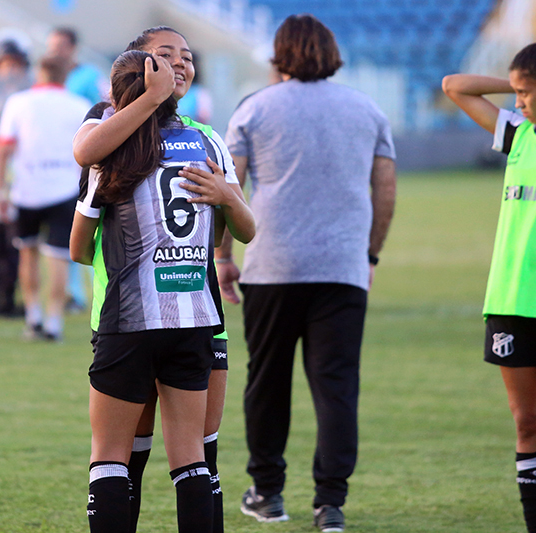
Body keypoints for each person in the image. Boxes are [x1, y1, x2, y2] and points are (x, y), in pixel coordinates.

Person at [223, 15, 396, 532]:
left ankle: (268, 493)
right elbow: (384, 190)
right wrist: (369, 254)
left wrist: (222, 256)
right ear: (331, 52)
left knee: (268, 381)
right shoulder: (366, 109)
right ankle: (331, 503)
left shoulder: (254, 108)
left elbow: (228, 189)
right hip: (341, 268)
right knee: (337, 386)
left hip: (273, 266)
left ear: (279, 54)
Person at [71, 47, 255, 532]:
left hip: (128, 318)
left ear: (118, 91)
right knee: (192, 458)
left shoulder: (112, 151)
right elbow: (246, 229)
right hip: (194, 317)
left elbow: (78, 249)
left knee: (111, 457)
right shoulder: (205, 141)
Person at [442, 42, 536, 533]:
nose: (518, 101)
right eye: (516, 92)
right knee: (527, 422)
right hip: (510, 301)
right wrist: (518, 82)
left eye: (527, 92)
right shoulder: (520, 134)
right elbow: (453, 87)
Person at [0, 56, 90, 341]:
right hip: (64, 189)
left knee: (28, 252)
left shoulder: (18, 102)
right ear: (65, 76)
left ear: (39, 73)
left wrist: (0, 190)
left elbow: (3, 149)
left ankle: (32, 317)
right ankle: (54, 323)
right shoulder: (79, 106)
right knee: (58, 258)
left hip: (26, 190)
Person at [46, 26, 107, 314]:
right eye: (51, 45)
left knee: (89, 229)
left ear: (72, 47)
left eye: (60, 45)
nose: (55, 50)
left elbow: (104, 114)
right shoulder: (46, 78)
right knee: (65, 232)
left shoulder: (89, 77)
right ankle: (74, 294)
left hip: (83, 165)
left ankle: (93, 292)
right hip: (56, 163)